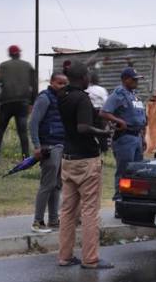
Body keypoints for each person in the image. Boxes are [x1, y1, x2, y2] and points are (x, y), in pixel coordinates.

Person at [57, 61, 113, 269]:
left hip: (68, 158)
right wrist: (103, 133)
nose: (90, 78)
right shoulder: (81, 98)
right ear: (82, 78)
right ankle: (90, 259)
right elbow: (82, 127)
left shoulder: (62, 96)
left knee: (67, 211)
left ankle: (64, 256)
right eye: (88, 75)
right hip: (86, 160)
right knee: (90, 211)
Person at [99, 68, 147, 209]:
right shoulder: (118, 94)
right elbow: (104, 112)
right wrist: (119, 121)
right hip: (125, 138)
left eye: (137, 79)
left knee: (137, 172)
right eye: (134, 79)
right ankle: (120, 203)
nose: (136, 81)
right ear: (125, 79)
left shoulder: (133, 95)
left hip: (137, 137)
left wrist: (143, 138)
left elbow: (140, 118)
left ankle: (134, 202)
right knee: (124, 171)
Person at [29, 72, 68, 233]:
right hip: (49, 147)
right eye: (59, 83)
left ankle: (53, 220)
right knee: (47, 185)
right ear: (52, 82)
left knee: (57, 185)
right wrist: (37, 146)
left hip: (61, 145)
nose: (63, 86)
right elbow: (33, 123)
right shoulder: (45, 98)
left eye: (65, 83)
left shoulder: (62, 99)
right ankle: (38, 221)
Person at [0, 45, 36, 162]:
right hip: (22, 102)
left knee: (1, 129)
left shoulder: (3, 66)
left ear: (10, 54)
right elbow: (34, 85)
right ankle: (25, 156)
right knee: (22, 130)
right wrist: (32, 102)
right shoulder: (27, 66)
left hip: (6, 102)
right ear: (19, 53)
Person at [86, 73, 109, 153]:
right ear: (98, 81)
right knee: (102, 131)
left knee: (91, 131)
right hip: (100, 112)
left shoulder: (88, 89)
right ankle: (104, 149)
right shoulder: (102, 90)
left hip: (90, 112)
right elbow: (106, 101)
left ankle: (92, 148)